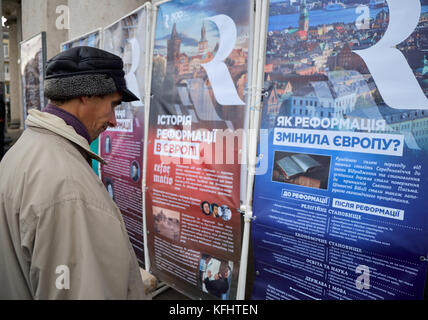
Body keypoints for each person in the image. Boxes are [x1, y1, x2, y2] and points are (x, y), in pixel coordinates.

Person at [0, 46, 146, 299]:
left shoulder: (24, 148)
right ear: (85, 96)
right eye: (113, 105)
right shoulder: (68, 187)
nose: (113, 120)